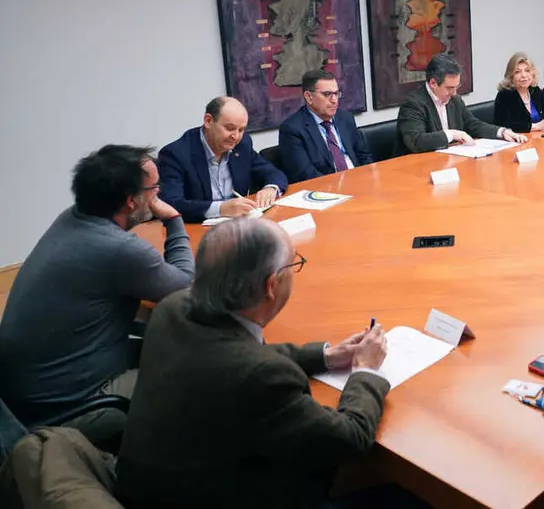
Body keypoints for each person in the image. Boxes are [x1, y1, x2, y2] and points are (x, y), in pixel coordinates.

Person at [114, 218, 390, 509]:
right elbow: (349, 440)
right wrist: (365, 370)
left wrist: (326, 357)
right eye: (292, 265)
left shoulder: (173, 308)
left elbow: (234, 355)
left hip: (147, 485)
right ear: (272, 284)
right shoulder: (263, 378)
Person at [0, 145, 194, 449]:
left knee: (169, 341)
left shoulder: (71, 218)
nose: (158, 195)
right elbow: (187, 284)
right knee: (199, 370)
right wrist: (174, 220)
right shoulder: (118, 249)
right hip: (67, 413)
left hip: (25, 397)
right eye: (155, 189)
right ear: (131, 201)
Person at [158, 97, 288, 223]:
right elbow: (171, 204)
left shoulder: (242, 145)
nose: (236, 136)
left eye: (241, 129)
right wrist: (220, 209)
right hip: (198, 229)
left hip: (240, 225)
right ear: (208, 121)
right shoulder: (176, 154)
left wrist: (270, 189)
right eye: (230, 128)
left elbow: (274, 173)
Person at [396, 53, 528, 154]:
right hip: (414, 170)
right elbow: (416, 141)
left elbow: (472, 124)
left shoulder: (455, 99)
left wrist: (502, 132)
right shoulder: (413, 104)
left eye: (456, 86)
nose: (454, 93)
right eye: (449, 88)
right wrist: (452, 134)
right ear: (433, 83)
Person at [278, 69, 374, 183]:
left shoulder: (345, 118)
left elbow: (363, 155)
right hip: (326, 190)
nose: (334, 100)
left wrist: (368, 179)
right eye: (327, 94)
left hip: (359, 182)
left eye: (336, 94)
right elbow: (305, 174)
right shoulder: (292, 129)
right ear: (309, 97)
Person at [493, 52, 544, 133]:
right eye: (517, 72)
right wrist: (536, 126)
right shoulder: (505, 95)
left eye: (527, 70)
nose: (524, 75)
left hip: (538, 137)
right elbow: (504, 125)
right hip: (517, 141)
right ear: (511, 75)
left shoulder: (534, 90)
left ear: (532, 73)